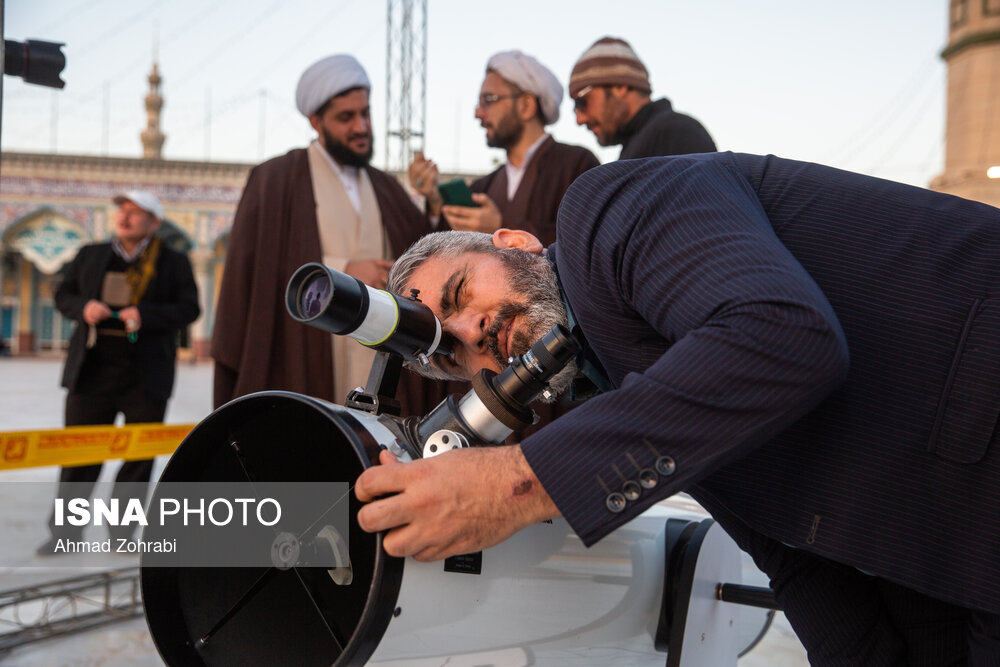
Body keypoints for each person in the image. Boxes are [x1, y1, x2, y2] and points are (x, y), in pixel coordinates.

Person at [355, 153, 1000, 663]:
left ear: (518, 242)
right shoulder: (628, 392)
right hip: (949, 549)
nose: (474, 331)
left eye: (461, 292)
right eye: (452, 355)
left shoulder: (607, 212)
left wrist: (518, 484)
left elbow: (785, 337)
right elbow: (792, 552)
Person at [211, 54, 445, 413]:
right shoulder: (275, 180)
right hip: (303, 359)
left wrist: (432, 202)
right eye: (346, 118)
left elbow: (426, 250)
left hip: (375, 367)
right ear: (316, 121)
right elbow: (254, 277)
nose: (361, 127)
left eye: (365, 114)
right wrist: (343, 269)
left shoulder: (384, 187)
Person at [38, 190, 199, 554]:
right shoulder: (91, 255)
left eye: (135, 212)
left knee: (137, 461)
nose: (125, 217)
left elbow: (189, 309)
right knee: (79, 457)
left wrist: (147, 315)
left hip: (146, 374)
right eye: (122, 210)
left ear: (154, 222)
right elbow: (63, 293)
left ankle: (122, 538)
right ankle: (65, 536)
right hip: (92, 370)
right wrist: (83, 307)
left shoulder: (172, 262)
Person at [409, 50, 599, 246]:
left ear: (526, 105)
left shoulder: (578, 165)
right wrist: (434, 200)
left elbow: (586, 244)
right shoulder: (484, 186)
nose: (478, 113)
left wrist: (499, 227)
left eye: (489, 100)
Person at [569, 36, 716, 159]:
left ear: (620, 87)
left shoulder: (676, 132)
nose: (579, 119)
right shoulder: (641, 144)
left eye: (581, 101)